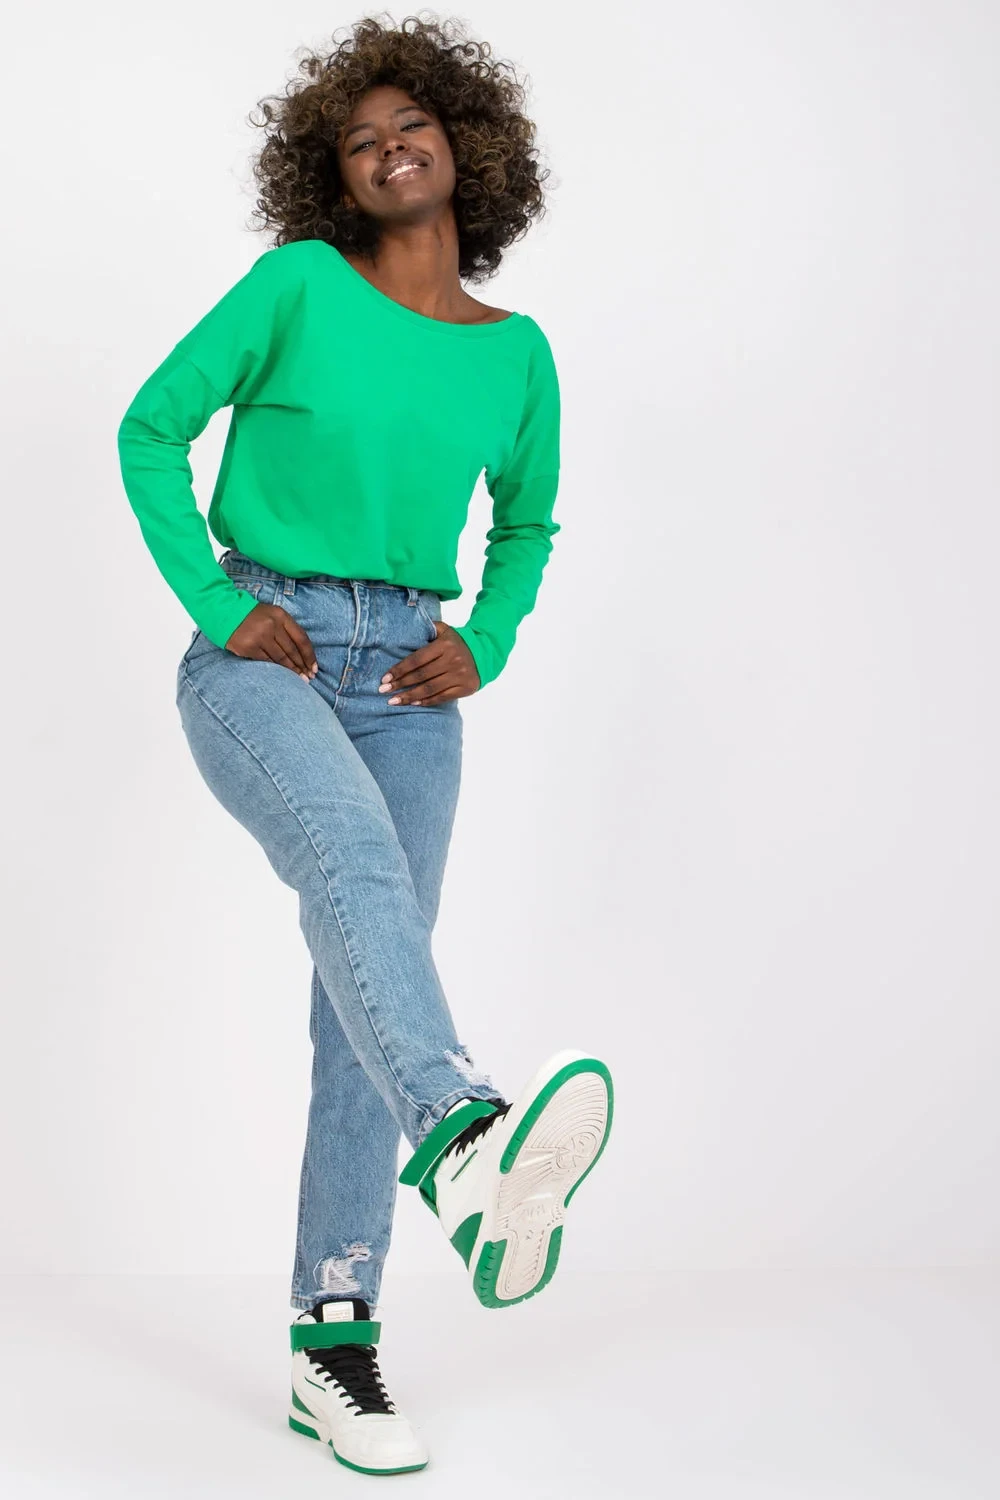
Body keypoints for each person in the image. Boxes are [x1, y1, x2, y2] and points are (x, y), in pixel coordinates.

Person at [116, 15, 613, 1477]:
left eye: (415, 125)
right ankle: (465, 1142)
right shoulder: (296, 285)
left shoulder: (517, 355)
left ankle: (332, 1350)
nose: (392, 147)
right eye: (359, 138)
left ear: (467, 146)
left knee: (364, 991)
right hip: (258, 652)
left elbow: (527, 523)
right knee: (353, 866)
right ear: (331, 174)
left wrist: (489, 641)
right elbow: (150, 429)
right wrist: (218, 603)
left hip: (409, 678)